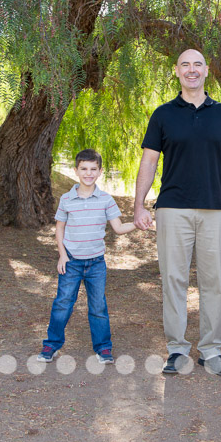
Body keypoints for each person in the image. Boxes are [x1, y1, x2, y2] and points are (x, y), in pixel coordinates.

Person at [134, 49, 221, 376]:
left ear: (206, 71)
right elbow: (149, 161)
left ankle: (211, 351)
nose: (192, 70)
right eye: (185, 65)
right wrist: (138, 204)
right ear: (176, 71)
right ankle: (176, 350)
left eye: (198, 65)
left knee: (212, 282)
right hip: (172, 209)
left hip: (215, 210)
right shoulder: (163, 115)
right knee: (173, 280)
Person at [38, 149, 136, 364]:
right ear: (76, 170)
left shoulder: (105, 199)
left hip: (96, 263)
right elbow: (60, 229)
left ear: (100, 172)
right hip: (71, 262)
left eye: (93, 169)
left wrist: (137, 224)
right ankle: (51, 345)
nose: (88, 173)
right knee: (63, 303)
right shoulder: (66, 199)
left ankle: (103, 348)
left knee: (98, 306)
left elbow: (118, 228)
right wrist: (62, 256)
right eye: (84, 169)